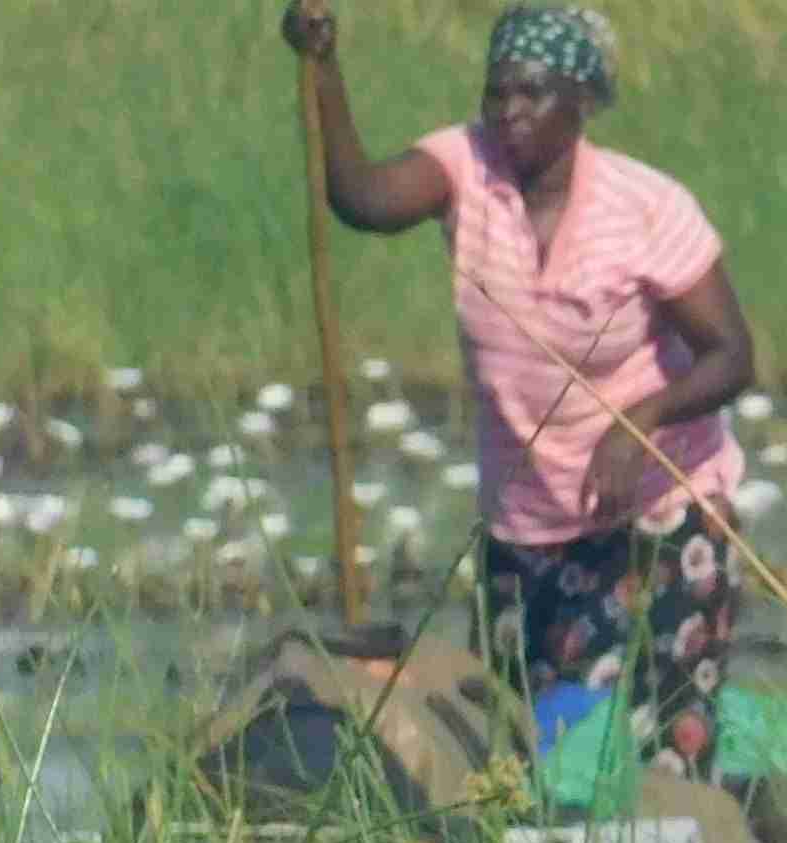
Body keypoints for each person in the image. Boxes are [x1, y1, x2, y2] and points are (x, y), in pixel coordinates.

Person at [284, 3, 756, 780]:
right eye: (497, 91)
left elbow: (731, 355)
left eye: (532, 93)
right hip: (525, 521)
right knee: (515, 753)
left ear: (582, 102)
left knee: (659, 753)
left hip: (661, 514)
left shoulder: (646, 209)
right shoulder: (466, 169)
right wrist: (323, 65)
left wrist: (636, 424)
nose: (509, 112)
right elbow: (363, 199)